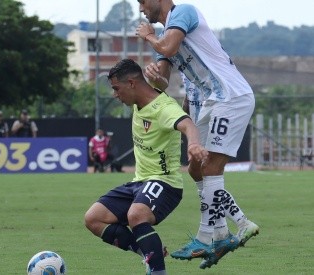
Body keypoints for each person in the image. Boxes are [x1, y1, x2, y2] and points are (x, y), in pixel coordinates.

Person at [135, 0, 259, 269]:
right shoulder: (168, 31)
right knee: (195, 167)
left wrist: (149, 37)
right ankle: (225, 232)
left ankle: (210, 236)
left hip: (230, 96)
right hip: (211, 101)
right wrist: (154, 74)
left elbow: (166, 47)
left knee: (211, 166)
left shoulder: (184, 13)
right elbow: (163, 81)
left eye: (143, 1)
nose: (141, 8)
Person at [84, 59, 208, 275]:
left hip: (165, 182)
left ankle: (157, 270)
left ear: (131, 84)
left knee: (136, 215)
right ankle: (148, 249)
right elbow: (154, 86)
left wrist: (194, 144)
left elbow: (187, 124)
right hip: (139, 183)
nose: (114, 94)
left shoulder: (163, 108)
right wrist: (159, 79)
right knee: (93, 219)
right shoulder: (138, 101)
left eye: (116, 88)